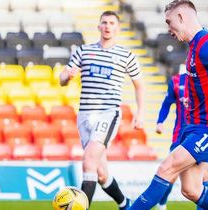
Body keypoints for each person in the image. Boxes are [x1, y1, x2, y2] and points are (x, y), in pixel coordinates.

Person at [129, 1, 208, 209]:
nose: (168, 29)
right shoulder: (196, 46)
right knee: (191, 189)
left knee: (166, 168)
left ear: (181, 18)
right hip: (193, 127)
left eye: (169, 22)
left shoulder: (206, 45)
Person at [60, 11, 144, 210]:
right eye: (104, 22)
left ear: (117, 27)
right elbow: (62, 79)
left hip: (108, 113)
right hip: (85, 116)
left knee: (89, 160)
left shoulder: (126, 55)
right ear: (98, 26)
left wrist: (140, 113)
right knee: (101, 174)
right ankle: (126, 205)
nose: (107, 26)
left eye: (112, 23)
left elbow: (139, 85)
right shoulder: (84, 51)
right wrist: (68, 76)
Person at [155, 70, 208, 210]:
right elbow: (167, 103)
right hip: (180, 136)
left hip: (202, 135)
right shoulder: (176, 81)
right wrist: (160, 122)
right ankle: (161, 205)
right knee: (171, 175)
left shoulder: (207, 81)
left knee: (204, 175)